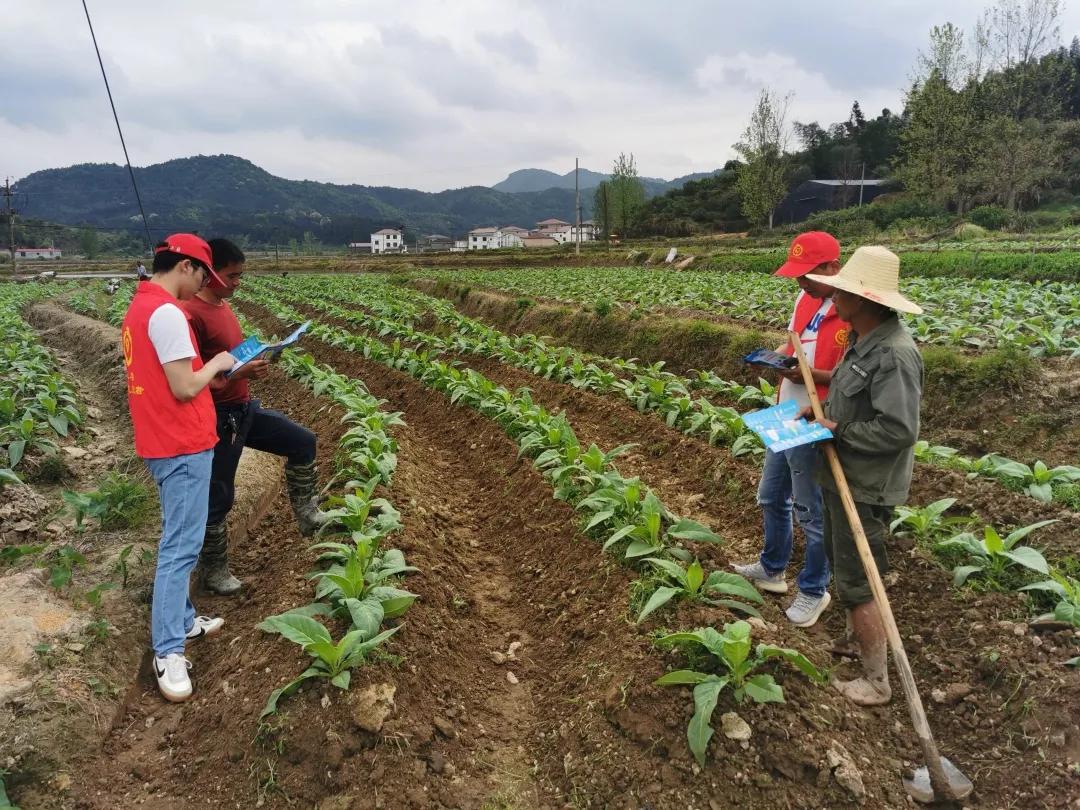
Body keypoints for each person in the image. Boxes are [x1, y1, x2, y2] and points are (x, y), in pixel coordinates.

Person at [802, 245, 924, 706]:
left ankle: (877, 681)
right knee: (844, 563)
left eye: (843, 292)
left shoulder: (893, 355)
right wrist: (818, 418)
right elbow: (848, 401)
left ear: (866, 301)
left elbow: (898, 428)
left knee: (859, 580)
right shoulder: (863, 342)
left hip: (866, 484)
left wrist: (841, 430)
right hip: (842, 473)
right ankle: (855, 642)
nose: (833, 297)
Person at [181, 237, 332, 595]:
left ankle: (308, 515)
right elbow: (194, 376)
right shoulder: (191, 314)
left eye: (240, 276)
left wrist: (255, 360)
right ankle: (213, 573)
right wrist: (241, 372)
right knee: (219, 495)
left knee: (303, 442)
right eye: (232, 276)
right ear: (210, 273)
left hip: (244, 408)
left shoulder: (222, 307)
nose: (237, 283)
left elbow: (228, 357)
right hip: (219, 416)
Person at [120, 234, 235, 702]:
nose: (206, 284)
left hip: (164, 439)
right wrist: (221, 363)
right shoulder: (166, 312)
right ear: (185, 266)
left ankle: (185, 620)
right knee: (180, 548)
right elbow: (186, 386)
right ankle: (168, 651)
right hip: (180, 444)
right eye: (204, 274)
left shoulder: (140, 306)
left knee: (179, 537)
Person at [733, 231, 847, 628]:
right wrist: (773, 360)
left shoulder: (850, 311)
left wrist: (809, 373)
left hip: (814, 419)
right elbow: (792, 345)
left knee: (811, 512)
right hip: (785, 411)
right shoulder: (805, 300)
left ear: (833, 268)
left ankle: (815, 590)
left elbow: (853, 375)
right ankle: (772, 569)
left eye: (808, 274)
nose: (800, 282)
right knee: (770, 496)